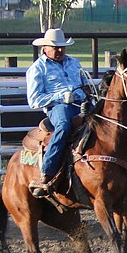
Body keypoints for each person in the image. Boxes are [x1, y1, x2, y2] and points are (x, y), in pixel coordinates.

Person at [26, 28, 88, 197]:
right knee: (63, 126)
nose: (60, 50)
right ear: (45, 48)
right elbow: (34, 100)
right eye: (55, 47)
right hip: (59, 107)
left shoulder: (74, 63)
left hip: (83, 102)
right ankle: (47, 172)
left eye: (62, 47)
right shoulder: (38, 68)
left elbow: (85, 84)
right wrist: (60, 97)